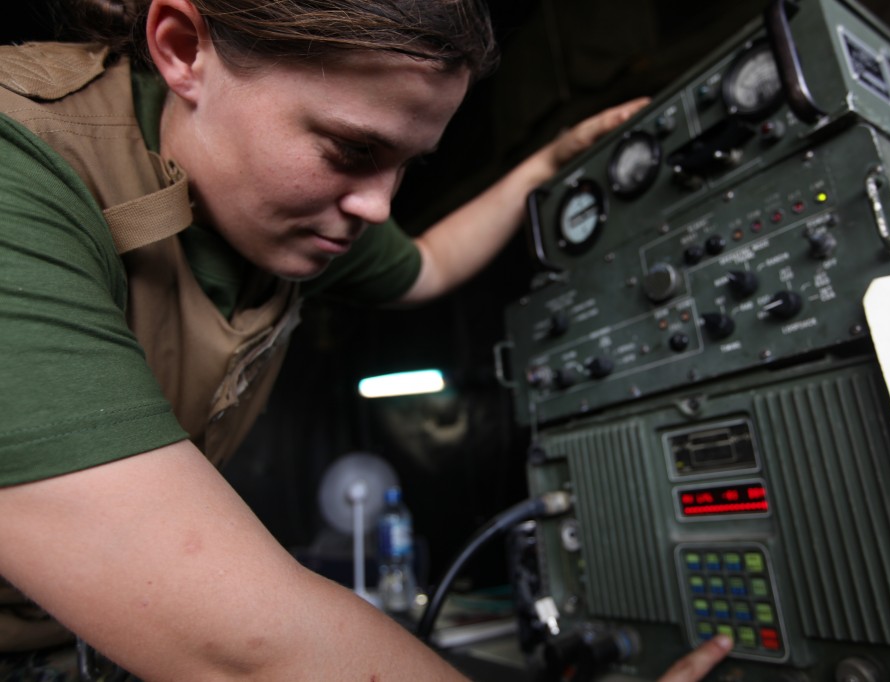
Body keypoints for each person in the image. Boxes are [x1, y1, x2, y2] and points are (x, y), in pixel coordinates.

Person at [0, 0, 732, 678]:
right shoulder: (19, 169)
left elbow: (430, 265)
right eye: (351, 149)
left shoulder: (291, 211)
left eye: (406, 166)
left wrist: (542, 167)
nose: (377, 209)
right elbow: (244, 646)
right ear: (184, 48)